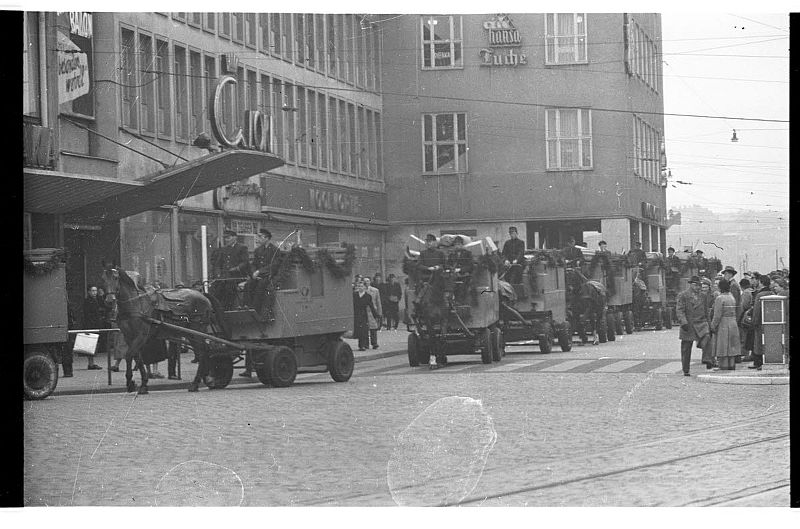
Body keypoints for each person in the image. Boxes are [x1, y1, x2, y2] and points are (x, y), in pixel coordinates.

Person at [676, 275, 712, 376]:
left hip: (701, 323)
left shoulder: (703, 296)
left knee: (707, 338)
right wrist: (683, 322)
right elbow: (680, 310)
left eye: (699, 285)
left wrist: (710, 326)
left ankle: (707, 359)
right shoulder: (683, 295)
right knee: (686, 348)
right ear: (691, 285)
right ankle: (686, 369)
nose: (698, 287)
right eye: (695, 285)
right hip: (688, 324)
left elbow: (706, 312)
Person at [209, 229, 251, 309]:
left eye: (228, 238)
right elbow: (218, 263)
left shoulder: (242, 248)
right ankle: (216, 307)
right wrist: (218, 274)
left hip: (237, 276)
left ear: (235, 238)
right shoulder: (224, 249)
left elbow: (245, 262)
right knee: (215, 286)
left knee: (229, 287)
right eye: (225, 238)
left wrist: (236, 268)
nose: (226, 240)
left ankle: (227, 307)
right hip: (225, 276)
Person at [245, 228, 279, 316]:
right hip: (257, 275)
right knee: (248, 285)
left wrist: (259, 272)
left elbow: (274, 266)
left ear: (267, 238)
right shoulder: (258, 250)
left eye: (260, 237)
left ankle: (256, 310)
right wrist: (253, 272)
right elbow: (254, 264)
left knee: (261, 286)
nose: (258, 239)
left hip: (268, 276)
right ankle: (247, 307)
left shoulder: (275, 250)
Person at [711, 279, 741, 371]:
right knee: (731, 346)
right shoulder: (732, 297)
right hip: (733, 322)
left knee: (723, 345)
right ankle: (731, 365)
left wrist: (713, 326)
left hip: (723, 323)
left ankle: (723, 365)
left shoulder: (720, 298)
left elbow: (717, 315)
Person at [749, 274, 772, 370]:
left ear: (761, 282)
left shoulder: (760, 295)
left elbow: (756, 311)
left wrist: (753, 322)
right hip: (770, 322)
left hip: (759, 323)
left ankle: (758, 362)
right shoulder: (771, 293)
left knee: (758, 343)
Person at [82, 285, 105, 370]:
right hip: (91, 324)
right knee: (90, 344)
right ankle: (90, 363)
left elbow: (104, 305)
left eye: (95, 290)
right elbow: (88, 314)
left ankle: (91, 363)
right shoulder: (87, 301)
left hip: (96, 324)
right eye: (92, 290)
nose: (94, 292)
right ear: (89, 291)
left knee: (94, 344)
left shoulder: (97, 300)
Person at [447, 235, 475, 302]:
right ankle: (450, 300)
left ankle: (461, 301)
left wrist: (460, 269)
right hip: (453, 275)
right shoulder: (452, 255)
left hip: (465, 275)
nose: (457, 246)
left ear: (462, 245)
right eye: (455, 244)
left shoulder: (468, 253)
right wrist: (451, 268)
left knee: (463, 288)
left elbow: (470, 266)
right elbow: (448, 264)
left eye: (459, 244)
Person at [352, 281, 378, 351]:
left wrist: (375, 315)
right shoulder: (354, 295)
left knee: (363, 329)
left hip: (363, 314)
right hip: (356, 314)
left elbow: (371, 306)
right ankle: (362, 345)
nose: (360, 288)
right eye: (359, 286)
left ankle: (363, 345)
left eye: (362, 286)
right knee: (359, 330)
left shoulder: (367, 296)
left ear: (365, 288)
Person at [363, 277, 382, 349]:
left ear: (370, 282)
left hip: (373, 311)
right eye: (365, 281)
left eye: (367, 281)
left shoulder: (375, 290)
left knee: (373, 328)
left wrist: (379, 312)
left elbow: (378, 302)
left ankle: (374, 343)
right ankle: (365, 344)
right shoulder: (361, 290)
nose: (366, 282)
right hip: (364, 311)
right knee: (365, 328)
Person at [738, 278, 754, 361]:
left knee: (744, 336)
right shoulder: (752, 291)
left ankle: (744, 353)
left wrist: (739, 317)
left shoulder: (745, 293)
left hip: (745, 317)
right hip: (751, 316)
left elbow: (743, 305)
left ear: (742, 286)